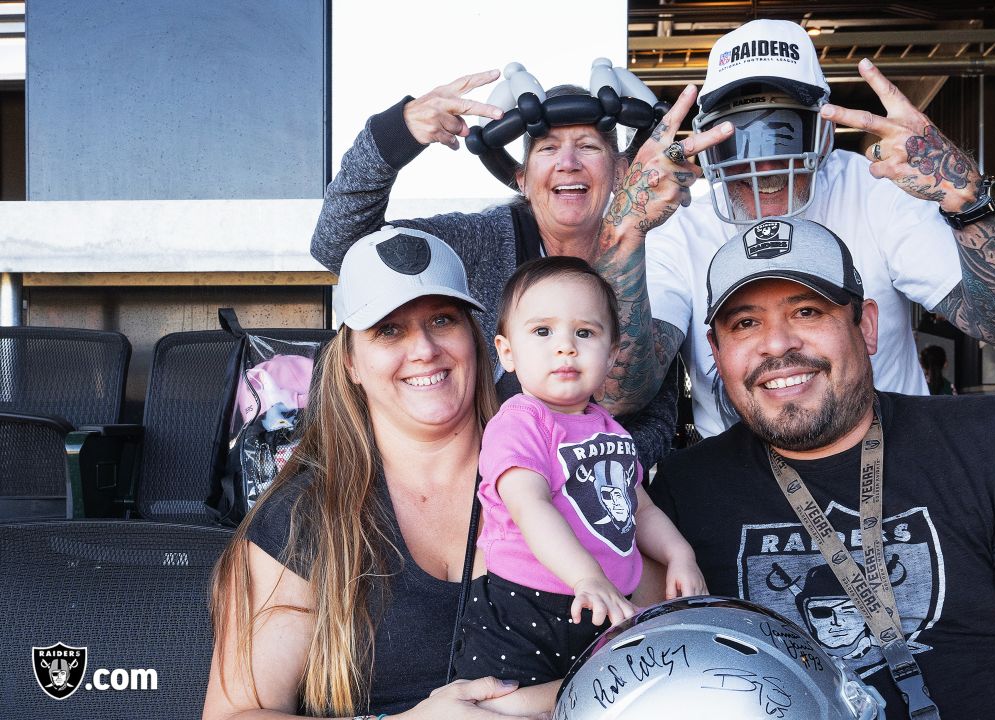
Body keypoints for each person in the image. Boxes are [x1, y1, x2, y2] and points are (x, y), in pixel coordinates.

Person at [647, 217, 995, 719]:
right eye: (745, 323)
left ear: (866, 327)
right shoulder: (682, 489)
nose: (777, 345)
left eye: (807, 311)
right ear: (716, 351)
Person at [601, 19, 995, 440]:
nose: (764, 163)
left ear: (823, 131)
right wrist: (625, 229)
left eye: (784, 131)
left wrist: (970, 202)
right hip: (738, 480)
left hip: (892, 465)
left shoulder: (876, 192)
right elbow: (618, 393)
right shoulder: (677, 221)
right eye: (739, 135)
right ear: (708, 137)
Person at [204, 228, 553, 718]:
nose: (425, 349)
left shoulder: (559, 475)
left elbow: (644, 654)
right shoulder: (303, 515)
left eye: (442, 319)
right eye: (389, 329)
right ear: (350, 361)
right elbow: (233, 715)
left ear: (477, 341)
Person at [311, 68, 733, 467]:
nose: (568, 162)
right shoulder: (482, 240)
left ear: (621, 170)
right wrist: (396, 133)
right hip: (475, 492)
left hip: (606, 504)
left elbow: (643, 413)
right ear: (523, 177)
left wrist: (569, 479)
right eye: (548, 148)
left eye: (588, 146)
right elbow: (339, 246)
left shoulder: (657, 254)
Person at [455, 257, 705, 691]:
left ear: (610, 356)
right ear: (507, 352)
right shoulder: (520, 421)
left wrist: (680, 555)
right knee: (502, 703)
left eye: (584, 333)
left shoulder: (612, 431)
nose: (566, 346)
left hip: (605, 606)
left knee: (605, 701)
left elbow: (640, 511)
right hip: (524, 610)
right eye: (542, 331)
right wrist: (585, 576)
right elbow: (529, 505)